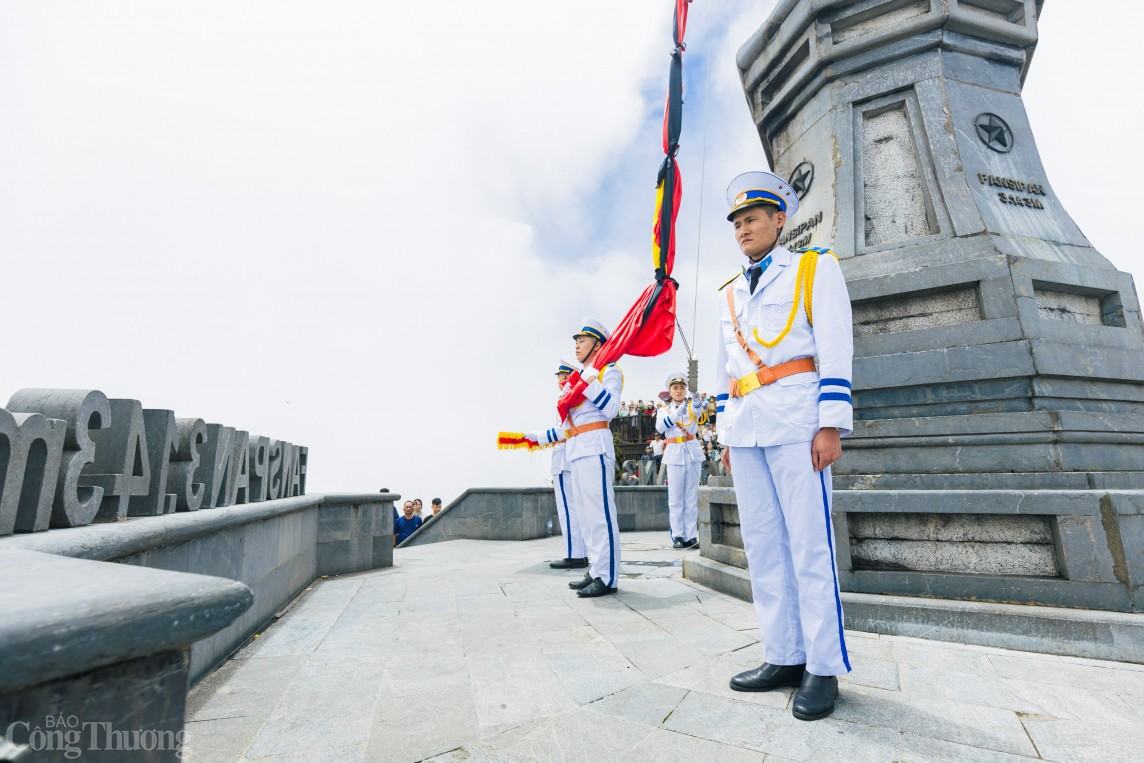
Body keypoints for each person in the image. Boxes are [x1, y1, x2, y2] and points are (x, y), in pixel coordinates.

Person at [714, 170, 854, 722]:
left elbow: (835, 345)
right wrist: (726, 435)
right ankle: (784, 655)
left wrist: (831, 424)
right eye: (737, 222)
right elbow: (728, 371)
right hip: (746, 429)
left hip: (798, 422)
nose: (744, 228)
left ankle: (823, 666)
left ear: (780, 220)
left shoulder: (814, 268)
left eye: (752, 218)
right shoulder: (727, 294)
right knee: (765, 549)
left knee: (809, 546)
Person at [525, 319, 624, 598]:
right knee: (586, 516)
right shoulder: (578, 378)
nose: (577, 346)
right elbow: (568, 426)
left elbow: (612, 409)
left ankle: (608, 577)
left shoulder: (608, 371)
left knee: (600, 515)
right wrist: (537, 437)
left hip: (595, 447)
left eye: (582, 341)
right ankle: (596, 568)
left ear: (597, 344)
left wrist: (590, 383)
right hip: (577, 449)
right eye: (576, 341)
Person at [656, 372, 705, 549]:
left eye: (682, 388)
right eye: (675, 388)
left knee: (691, 497)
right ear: (669, 391)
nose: (679, 391)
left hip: (692, 452)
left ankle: (691, 535)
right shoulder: (663, 411)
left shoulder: (691, 406)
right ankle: (677, 535)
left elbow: (699, 411)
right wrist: (677, 414)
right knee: (676, 498)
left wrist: (696, 395)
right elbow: (660, 427)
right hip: (675, 453)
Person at [548, 359, 589, 570]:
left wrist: (540, 437)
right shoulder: (572, 396)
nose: (559, 380)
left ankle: (575, 553)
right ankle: (580, 551)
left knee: (568, 507)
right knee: (575, 507)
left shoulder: (568, 397)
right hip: (568, 455)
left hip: (564, 457)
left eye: (560, 376)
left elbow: (562, 430)